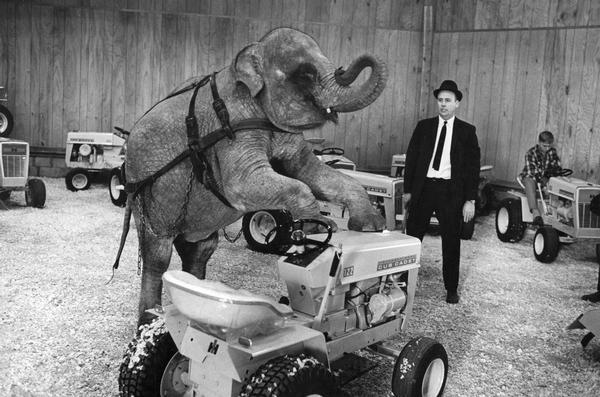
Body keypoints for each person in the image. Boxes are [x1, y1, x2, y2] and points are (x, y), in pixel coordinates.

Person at [403, 80, 480, 304]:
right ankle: (404, 283)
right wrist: (408, 191)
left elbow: (473, 168)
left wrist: (470, 200)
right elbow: (412, 159)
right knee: (413, 238)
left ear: (457, 103)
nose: (443, 105)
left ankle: (451, 288)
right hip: (424, 188)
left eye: (448, 100)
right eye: (440, 100)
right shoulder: (424, 127)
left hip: (450, 192)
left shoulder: (467, 132)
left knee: (451, 241)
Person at [519, 131, 562, 226]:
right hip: (532, 177)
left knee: (560, 183)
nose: (547, 149)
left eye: (549, 146)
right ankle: (535, 212)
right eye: (544, 146)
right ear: (539, 142)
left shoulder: (552, 152)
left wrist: (550, 179)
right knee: (530, 181)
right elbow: (532, 171)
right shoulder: (531, 153)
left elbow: (557, 168)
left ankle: (559, 212)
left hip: (546, 178)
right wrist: (544, 182)